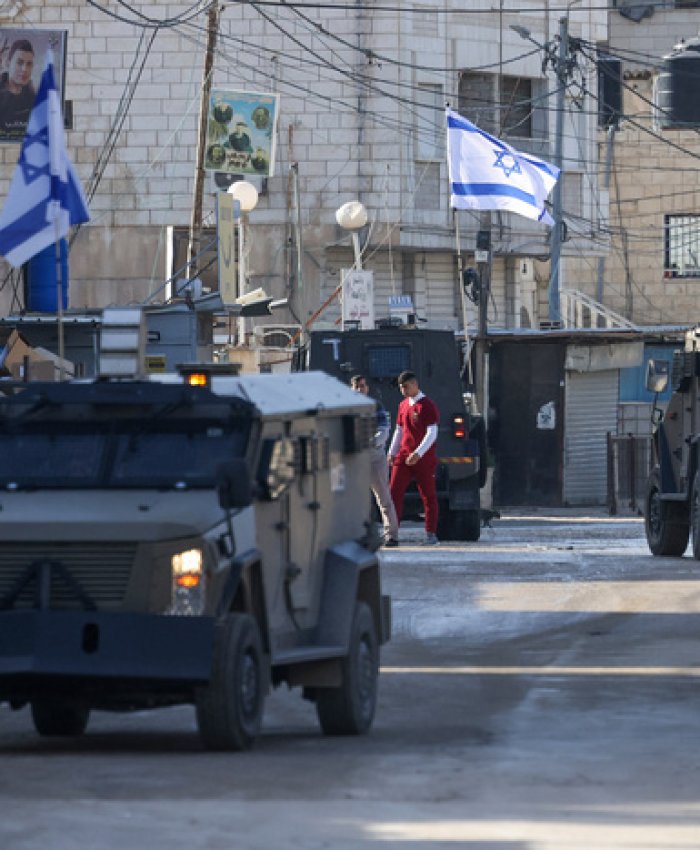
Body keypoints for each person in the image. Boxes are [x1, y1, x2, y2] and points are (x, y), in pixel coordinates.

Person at [388, 370, 440, 545]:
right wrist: (392, 451)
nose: (403, 390)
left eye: (406, 386)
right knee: (393, 493)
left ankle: (431, 534)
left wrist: (418, 453)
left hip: (423, 458)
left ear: (415, 384)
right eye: (401, 387)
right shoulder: (403, 405)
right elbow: (399, 430)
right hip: (404, 456)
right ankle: (392, 534)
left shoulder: (427, 405)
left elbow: (432, 432)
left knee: (428, 495)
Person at [350, 374, 400, 548]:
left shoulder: (376, 406)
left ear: (367, 388)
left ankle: (391, 535)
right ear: (351, 388)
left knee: (384, 497)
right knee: (354, 498)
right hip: (354, 457)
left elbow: (384, 430)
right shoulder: (346, 407)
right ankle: (357, 535)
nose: (360, 389)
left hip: (374, 456)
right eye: (357, 386)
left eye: (363, 386)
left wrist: (371, 442)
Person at [0, 39, 36, 138]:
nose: (24, 69)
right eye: (19, 63)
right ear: (8, 63)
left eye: (29, 64)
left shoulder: (33, 97)